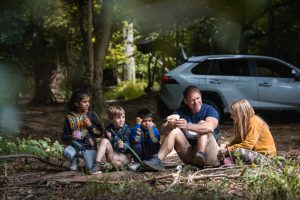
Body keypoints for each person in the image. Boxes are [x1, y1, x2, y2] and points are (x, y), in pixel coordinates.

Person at [143, 85, 220, 171]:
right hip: (191, 156)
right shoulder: (181, 111)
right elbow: (163, 129)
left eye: (198, 98)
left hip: (209, 155)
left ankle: (200, 154)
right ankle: (158, 160)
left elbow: (210, 127)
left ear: (201, 97)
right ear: (186, 101)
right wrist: (170, 125)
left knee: (202, 124)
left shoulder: (209, 110)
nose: (196, 102)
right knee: (174, 131)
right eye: (192, 100)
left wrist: (187, 126)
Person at [218, 99, 276, 165]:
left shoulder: (254, 122)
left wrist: (227, 150)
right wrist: (225, 150)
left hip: (266, 158)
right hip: (255, 154)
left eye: (233, 115)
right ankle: (229, 161)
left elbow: (248, 145)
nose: (231, 117)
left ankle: (231, 162)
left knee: (236, 151)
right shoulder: (244, 124)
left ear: (241, 114)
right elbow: (236, 141)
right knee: (228, 154)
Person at [61, 89, 103, 171]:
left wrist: (90, 126)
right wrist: (71, 136)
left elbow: (100, 133)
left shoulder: (92, 115)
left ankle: (90, 160)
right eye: (84, 102)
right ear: (76, 103)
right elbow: (63, 136)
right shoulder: (69, 117)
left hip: (89, 147)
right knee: (67, 152)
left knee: (90, 168)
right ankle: (74, 160)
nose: (87, 104)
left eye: (88, 102)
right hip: (75, 146)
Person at [88, 105, 132, 175]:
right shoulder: (109, 129)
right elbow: (108, 146)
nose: (121, 120)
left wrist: (123, 145)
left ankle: (120, 166)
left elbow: (129, 144)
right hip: (113, 155)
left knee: (115, 162)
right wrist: (109, 139)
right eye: (118, 118)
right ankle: (97, 165)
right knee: (104, 140)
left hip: (125, 156)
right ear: (111, 119)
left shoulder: (127, 129)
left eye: (123, 117)